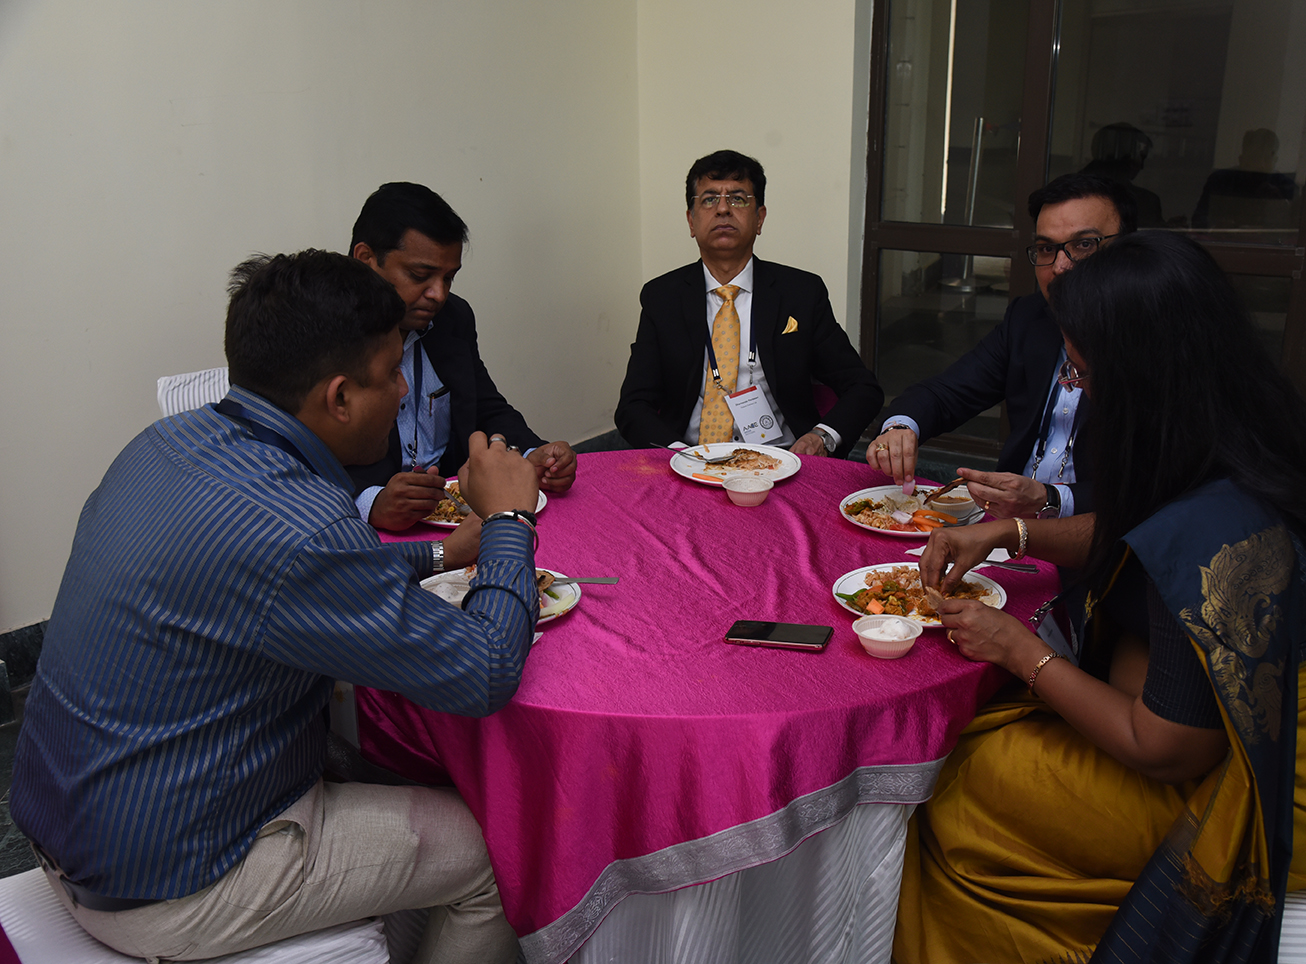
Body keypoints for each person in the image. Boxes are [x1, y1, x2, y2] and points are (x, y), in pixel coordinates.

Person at [10, 250, 543, 964]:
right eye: (393, 374)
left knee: (391, 759)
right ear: (340, 398)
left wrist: (441, 554)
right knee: (496, 853)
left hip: (74, 822)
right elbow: (484, 670)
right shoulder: (305, 525)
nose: (402, 390)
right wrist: (510, 521)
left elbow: (280, 577)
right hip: (167, 882)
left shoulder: (166, 444)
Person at [893, 231, 1306, 964]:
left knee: (961, 778)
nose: (1075, 390)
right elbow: (1137, 533)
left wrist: (1018, 650)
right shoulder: (1253, 437)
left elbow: (1163, 748)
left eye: (1081, 371)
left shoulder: (1212, 530)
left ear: (1141, 377)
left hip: (1276, 803)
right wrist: (1014, 532)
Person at [868, 173, 1136, 520]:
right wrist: (901, 427)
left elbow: (1159, 490)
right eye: (1046, 248)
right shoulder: (1030, 319)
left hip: (1102, 535)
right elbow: (947, 392)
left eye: (1084, 244)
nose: (1061, 267)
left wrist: (1051, 499)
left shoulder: (1155, 343)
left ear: (1129, 250)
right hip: (1007, 525)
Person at [615, 150, 882, 457]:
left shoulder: (801, 293)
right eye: (709, 199)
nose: (723, 209)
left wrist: (822, 437)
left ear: (759, 218)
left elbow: (862, 387)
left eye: (738, 199)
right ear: (691, 221)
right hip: (688, 458)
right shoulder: (662, 297)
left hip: (782, 460)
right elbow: (633, 405)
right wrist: (679, 454)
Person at [348, 181, 577, 530]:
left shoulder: (452, 318)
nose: (438, 294)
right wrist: (370, 501)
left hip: (456, 513)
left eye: (449, 278)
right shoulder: (322, 333)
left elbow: (484, 406)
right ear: (366, 259)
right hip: (364, 529)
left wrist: (534, 455)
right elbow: (299, 454)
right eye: (420, 276)